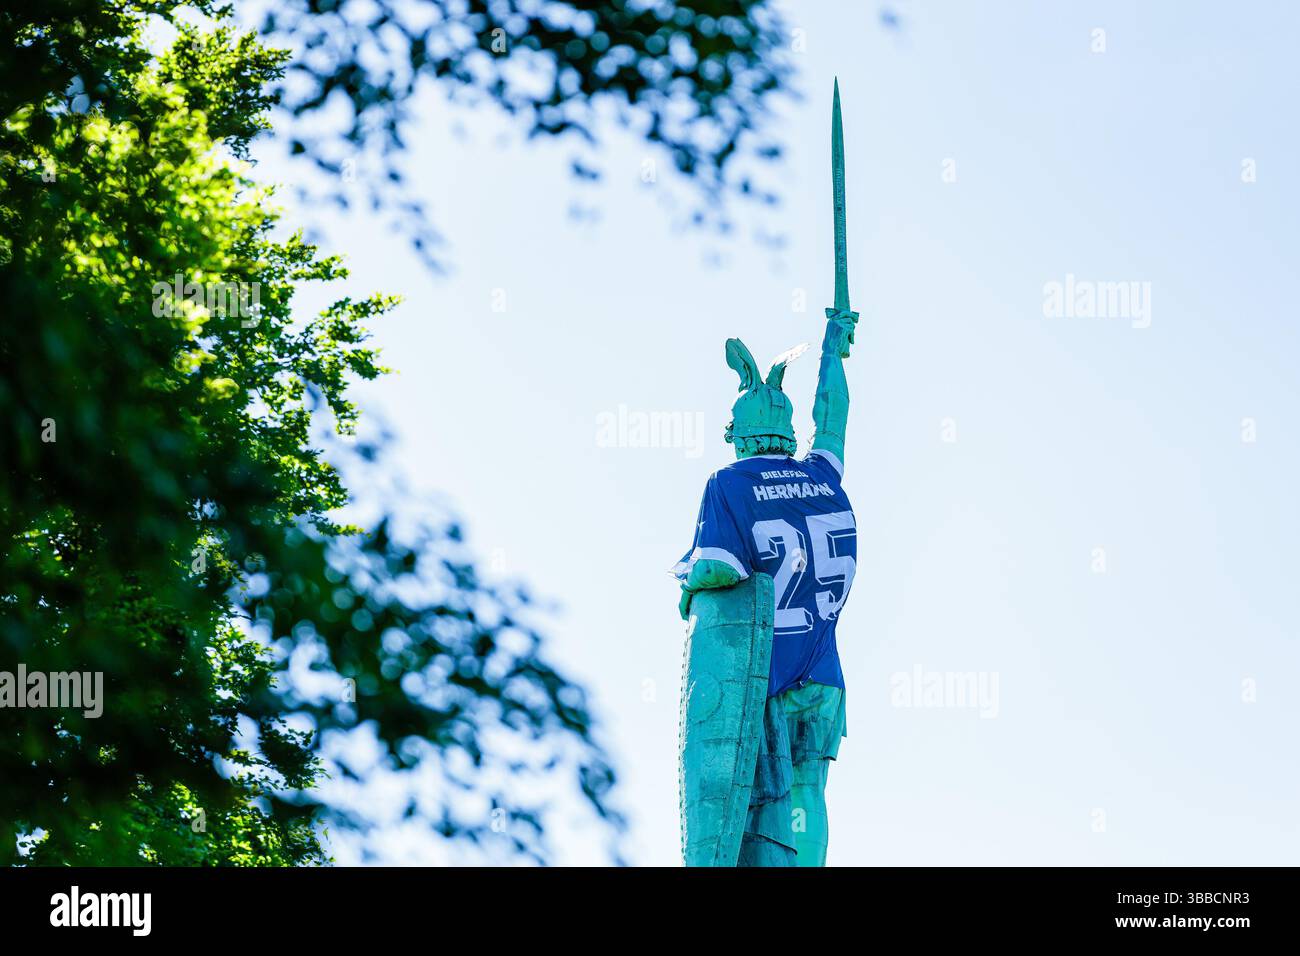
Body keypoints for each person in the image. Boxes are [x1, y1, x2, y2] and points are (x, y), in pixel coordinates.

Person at [673, 307, 859, 866]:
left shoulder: (729, 483)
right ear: (784, 430)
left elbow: (719, 569)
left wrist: (687, 588)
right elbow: (833, 421)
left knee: (754, 812)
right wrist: (835, 351)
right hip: (823, 674)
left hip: (764, 674)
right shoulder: (823, 476)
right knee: (809, 798)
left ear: (740, 435)